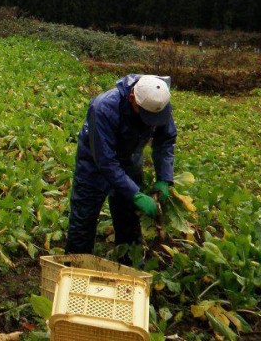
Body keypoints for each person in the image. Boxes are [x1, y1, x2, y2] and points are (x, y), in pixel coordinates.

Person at [65, 74, 177, 262]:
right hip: (94, 162)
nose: (149, 121)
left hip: (130, 158)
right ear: (132, 98)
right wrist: (135, 193)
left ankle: (129, 262)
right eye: (145, 115)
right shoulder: (103, 108)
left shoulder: (158, 101)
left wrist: (164, 178)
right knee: (84, 217)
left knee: (129, 217)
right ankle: (75, 265)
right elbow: (105, 161)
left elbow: (165, 141)